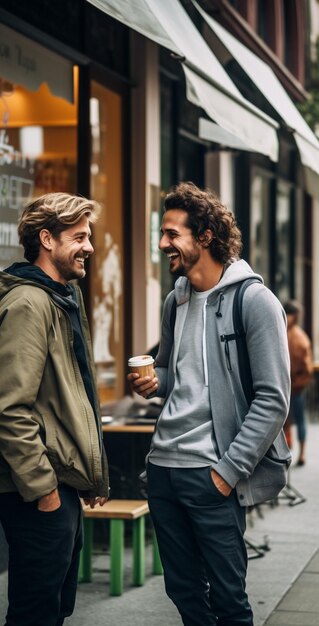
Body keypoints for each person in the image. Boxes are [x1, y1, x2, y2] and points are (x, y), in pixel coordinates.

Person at [128, 182, 291, 626]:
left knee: (228, 599)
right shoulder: (176, 298)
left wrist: (227, 472)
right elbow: (171, 372)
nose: (163, 244)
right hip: (164, 470)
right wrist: (152, 382)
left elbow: (274, 399)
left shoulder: (254, 301)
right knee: (182, 591)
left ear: (205, 236)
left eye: (171, 234)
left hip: (212, 474)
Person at [0, 192, 109, 626]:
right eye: (79, 237)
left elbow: (72, 394)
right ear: (46, 239)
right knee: (36, 613)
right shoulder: (29, 306)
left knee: (55, 608)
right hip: (34, 491)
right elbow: (7, 408)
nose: (89, 246)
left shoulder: (60, 298)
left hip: (58, 483)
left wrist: (87, 476)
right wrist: (44, 490)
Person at [283, 300, 313, 466]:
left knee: (298, 420)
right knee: (283, 422)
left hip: (293, 387)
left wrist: (296, 384)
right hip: (287, 386)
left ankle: (301, 453)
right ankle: (289, 451)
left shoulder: (299, 338)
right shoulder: (282, 331)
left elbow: (307, 368)